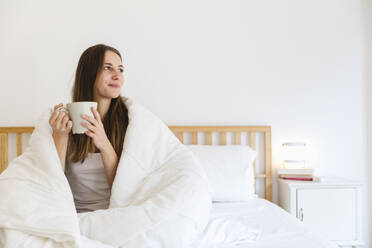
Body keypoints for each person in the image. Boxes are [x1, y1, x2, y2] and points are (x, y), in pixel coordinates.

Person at [48, 44, 129, 213]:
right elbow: (52, 183)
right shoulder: (66, 118)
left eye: (120, 70)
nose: (117, 76)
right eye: (108, 68)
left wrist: (104, 144)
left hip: (115, 213)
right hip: (73, 215)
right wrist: (60, 136)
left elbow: (125, 189)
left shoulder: (131, 121)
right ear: (90, 74)